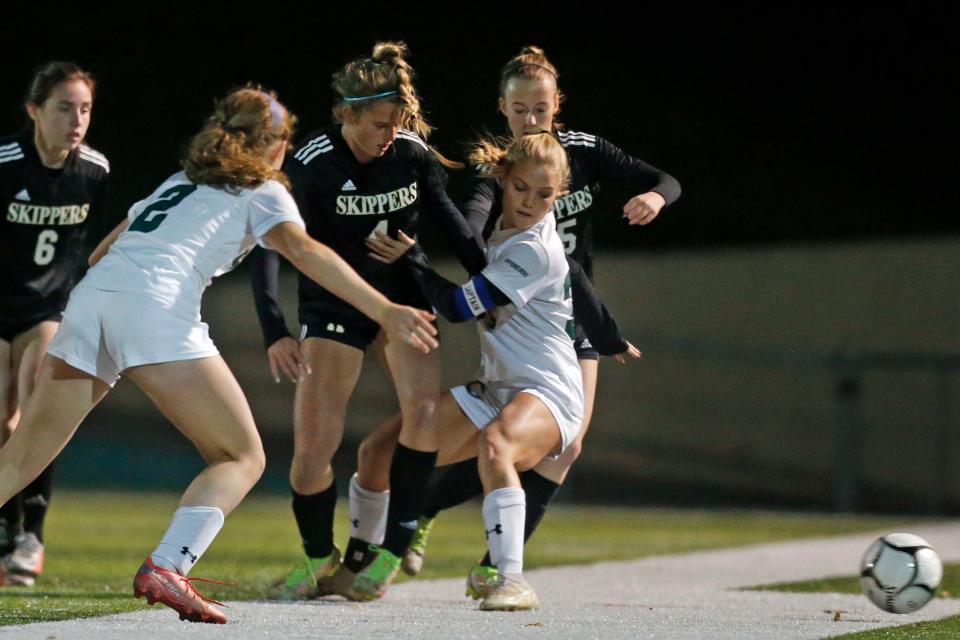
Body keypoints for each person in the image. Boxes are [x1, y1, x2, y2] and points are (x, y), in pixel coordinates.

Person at [0, 87, 437, 623]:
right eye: (285, 140)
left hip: (92, 300)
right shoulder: (264, 188)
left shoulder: (181, 181)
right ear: (272, 145)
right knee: (241, 456)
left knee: (19, 458)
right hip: (154, 309)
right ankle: (168, 565)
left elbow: (100, 253)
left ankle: (167, 566)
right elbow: (303, 251)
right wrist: (386, 309)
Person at [398, 45, 681, 593]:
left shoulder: (577, 152)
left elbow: (667, 181)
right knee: (500, 441)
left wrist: (654, 196)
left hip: (571, 315)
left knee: (564, 445)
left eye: (541, 109)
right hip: (518, 315)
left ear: (558, 106)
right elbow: (471, 228)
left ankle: (493, 566)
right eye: (520, 109)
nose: (531, 119)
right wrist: (489, 277)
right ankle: (426, 516)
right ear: (502, 110)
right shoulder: (498, 169)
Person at [248, 42, 485, 600]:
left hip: (402, 298)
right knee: (312, 451)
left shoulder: (410, 153)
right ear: (346, 114)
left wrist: (491, 286)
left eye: (396, 123)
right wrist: (274, 328)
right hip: (334, 305)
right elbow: (268, 247)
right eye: (378, 124)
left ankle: (386, 550)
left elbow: (453, 228)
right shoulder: (311, 165)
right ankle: (315, 556)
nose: (389, 134)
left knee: (422, 414)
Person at [346, 132, 593, 610]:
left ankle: (511, 579)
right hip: (496, 389)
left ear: (559, 194)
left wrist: (412, 258)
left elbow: (460, 307)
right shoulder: (502, 232)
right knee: (377, 452)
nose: (531, 201)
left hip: (549, 391)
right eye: (522, 187)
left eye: (546, 194)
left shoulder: (535, 250)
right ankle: (362, 559)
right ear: (504, 179)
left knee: (496, 443)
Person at [0, 61, 110, 587]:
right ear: (33, 111)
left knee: (37, 406)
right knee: (3, 419)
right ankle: (5, 530)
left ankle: (31, 536)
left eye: (84, 108)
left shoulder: (94, 171)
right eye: (64, 107)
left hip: (46, 308)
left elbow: (100, 243)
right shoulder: (3, 163)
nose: (76, 119)